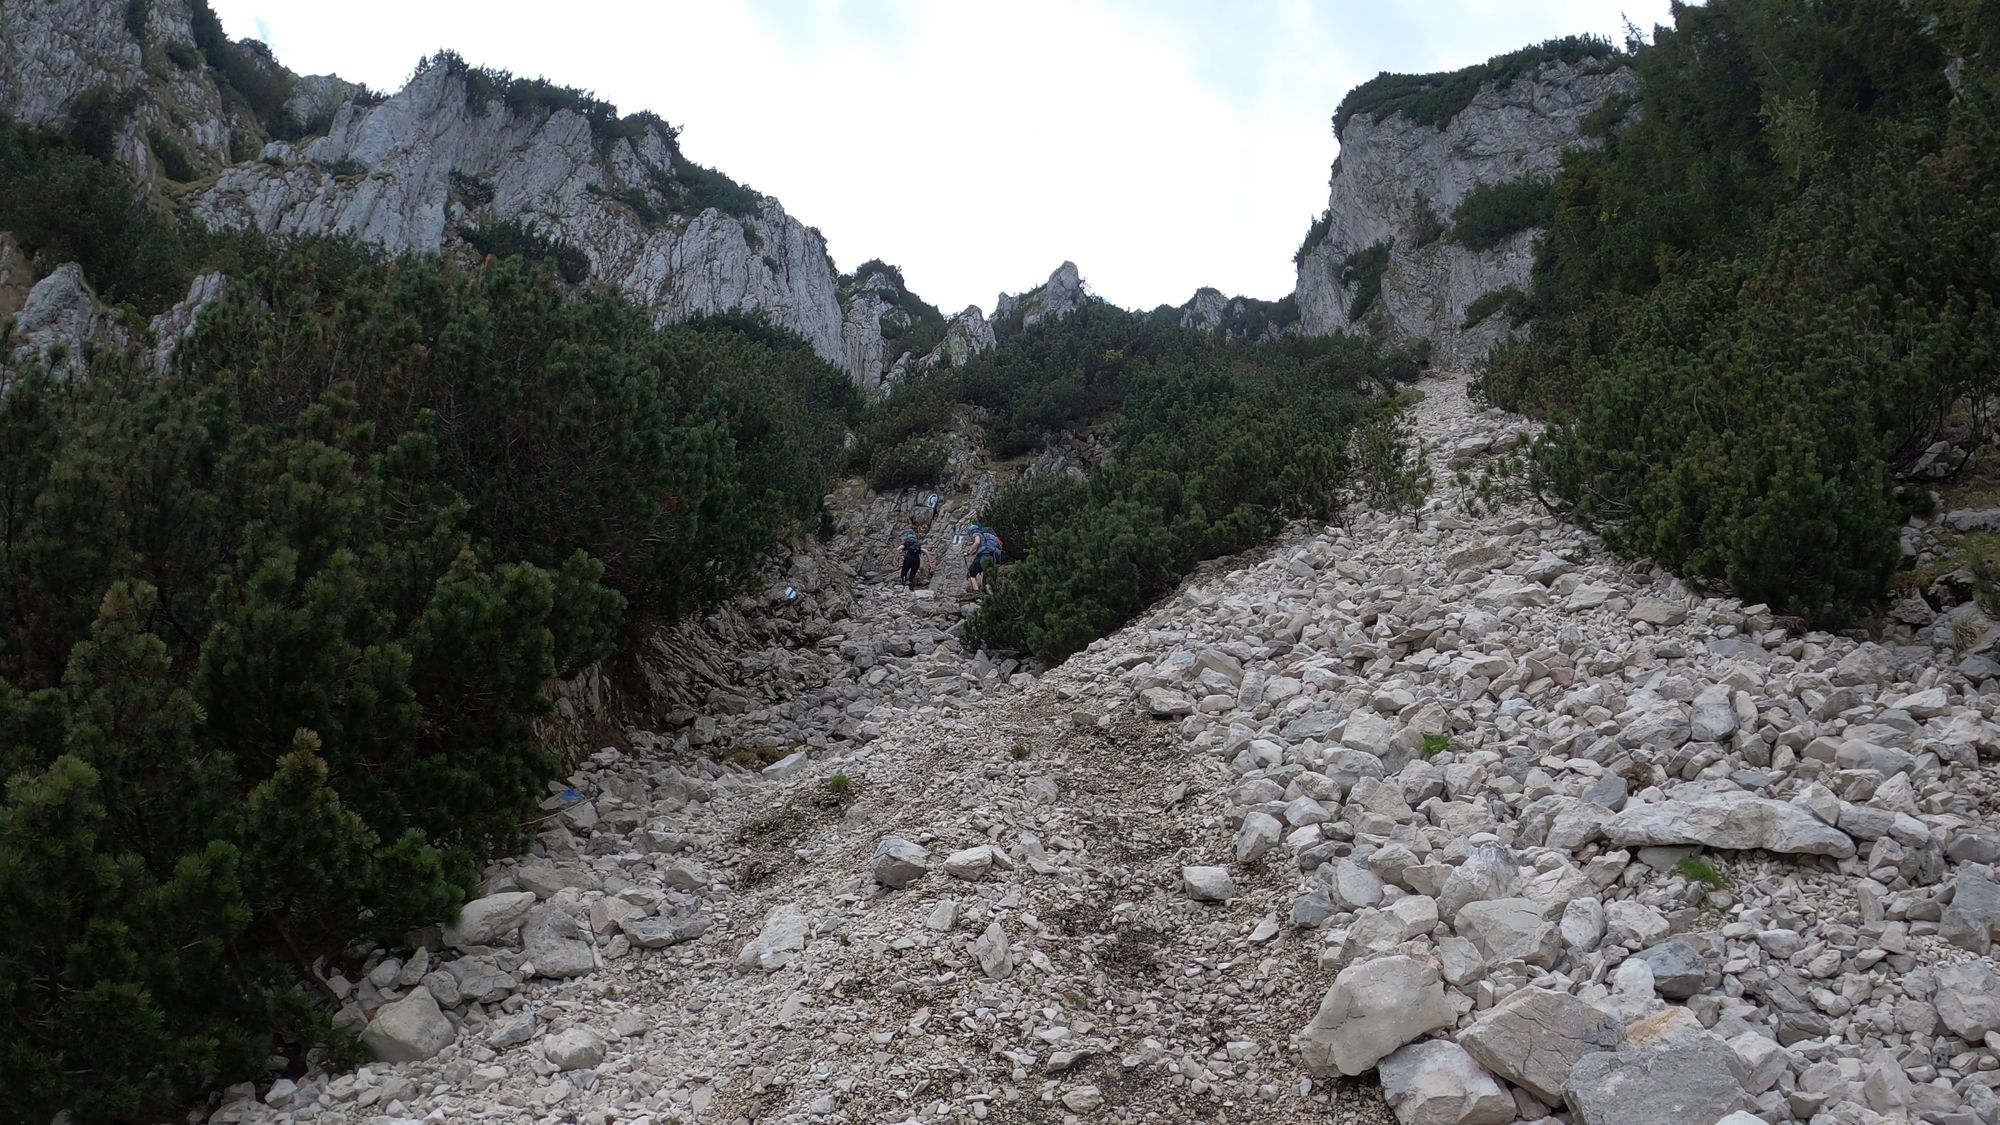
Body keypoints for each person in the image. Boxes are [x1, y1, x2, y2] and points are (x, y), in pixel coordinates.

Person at [964, 523, 1004, 593]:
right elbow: (975, 551)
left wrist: (968, 553)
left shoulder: (976, 534)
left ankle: (976, 591)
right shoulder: (986, 537)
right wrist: (970, 553)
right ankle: (990, 594)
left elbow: (977, 543)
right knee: (987, 576)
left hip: (983, 556)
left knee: (971, 573)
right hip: (992, 556)